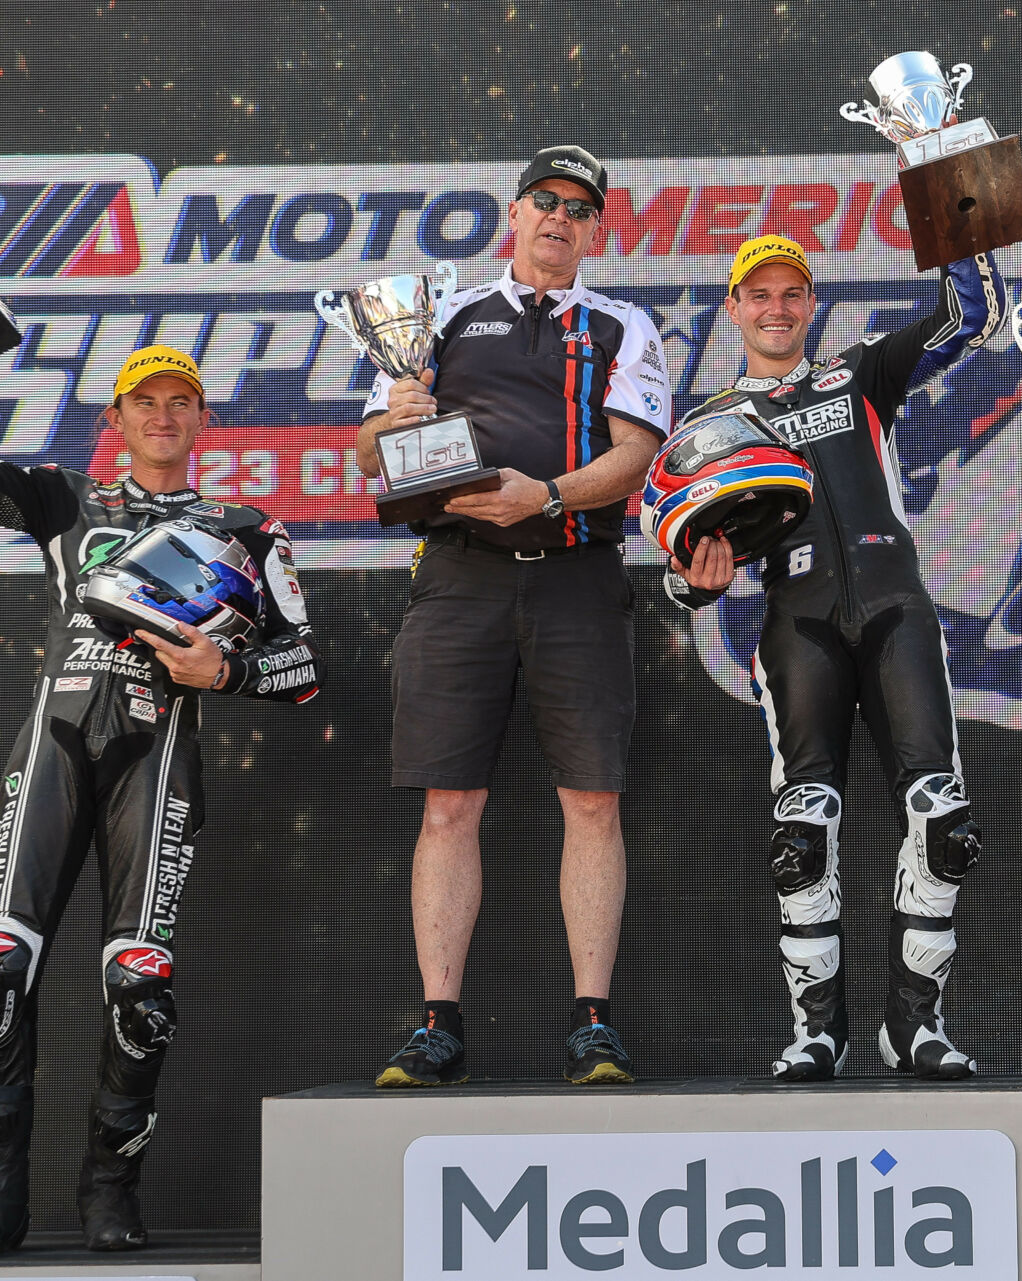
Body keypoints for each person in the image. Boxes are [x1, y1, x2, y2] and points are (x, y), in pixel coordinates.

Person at [0, 258, 323, 1257]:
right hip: (51, 741)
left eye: (182, 401)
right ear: (118, 419)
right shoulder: (62, 501)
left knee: (140, 986)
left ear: (204, 419)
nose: (164, 415)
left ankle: (108, 1189)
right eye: (146, 402)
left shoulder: (247, 530)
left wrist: (226, 671)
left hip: (157, 755)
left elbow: (303, 667)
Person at [355, 144, 670, 1087]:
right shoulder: (441, 315)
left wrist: (550, 495)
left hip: (576, 570)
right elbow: (372, 457)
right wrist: (396, 414)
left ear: (595, 230)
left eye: (580, 207)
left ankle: (593, 1023)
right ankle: (438, 1024)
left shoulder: (623, 325)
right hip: (460, 578)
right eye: (546, 200)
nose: (559, 218)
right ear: (516, 211)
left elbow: (637, 457)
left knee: (594, 800)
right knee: (450, 804)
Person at [665, 233, 1007, 1081]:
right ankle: (818, 1031)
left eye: (792, 293)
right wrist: (693, 586)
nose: (776, 308)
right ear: (733, 306)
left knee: (943, 820)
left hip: (898, 611)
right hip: (799, 626)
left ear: (811, 303)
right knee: (802, 834)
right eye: (759, 294)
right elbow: (676, 553)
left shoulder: (859, 372)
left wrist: (951, 193)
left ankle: (913, 1026)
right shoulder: (709, 423)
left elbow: (975, 315)